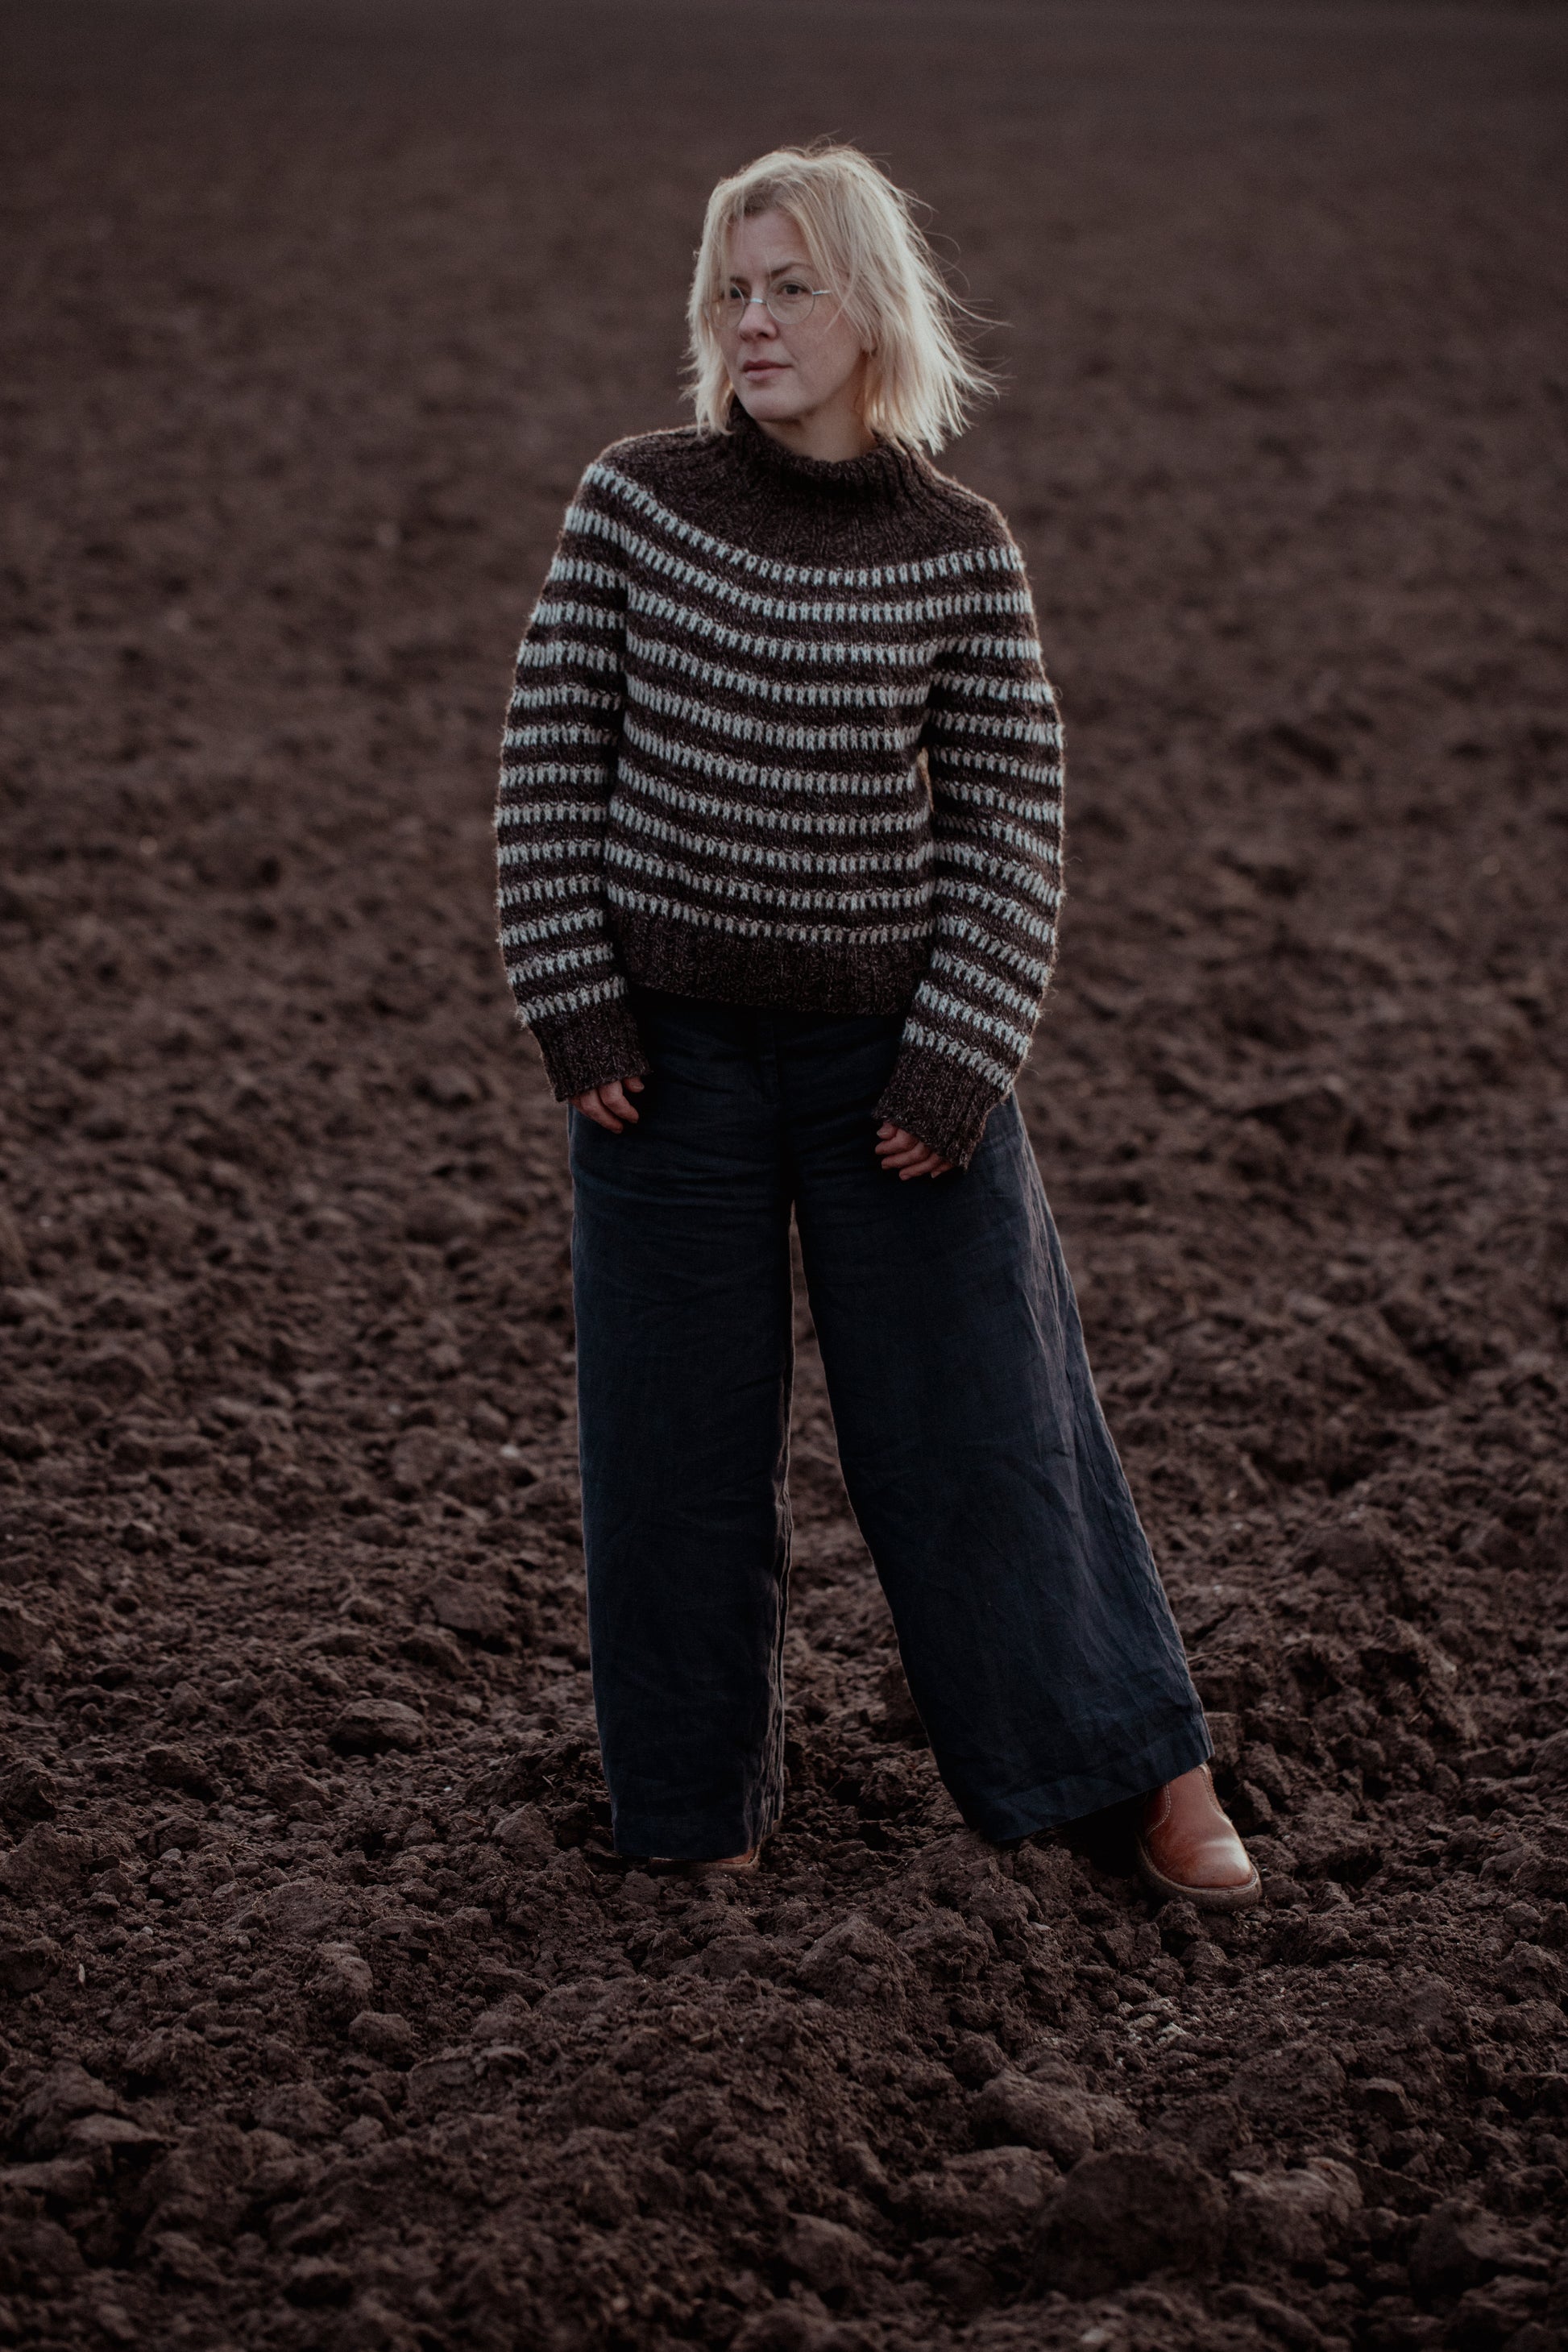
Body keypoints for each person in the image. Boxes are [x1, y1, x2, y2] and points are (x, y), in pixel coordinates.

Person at [495, 142, 1259, 1909]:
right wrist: (576, 1002)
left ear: (870, 310)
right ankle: (692, 1813)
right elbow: (549, 754)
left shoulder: (958, 552)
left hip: (889, 1074)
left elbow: (1009, 820)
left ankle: (1139, 1770)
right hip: (659, 1070)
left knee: (992, 1420)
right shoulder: (634, 501)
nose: (752, 321)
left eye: (791, 287)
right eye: (731, 291)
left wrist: (958, 1051)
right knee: (670, 1448)